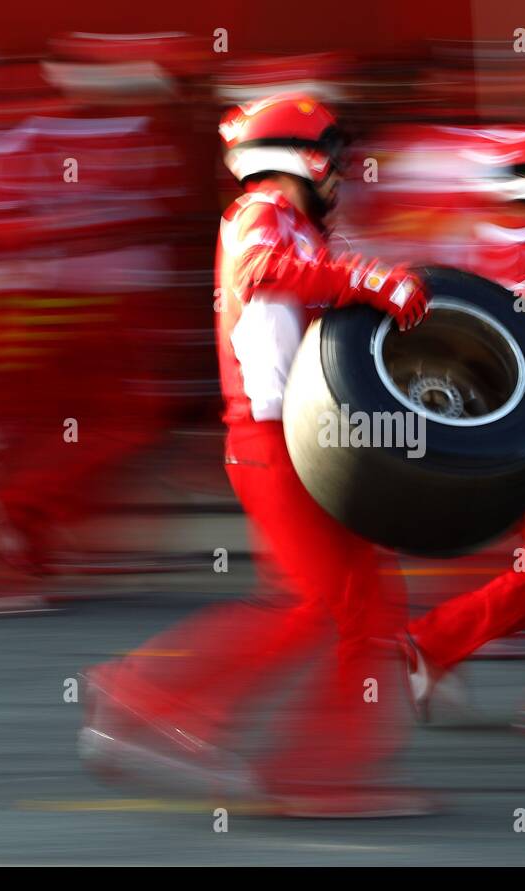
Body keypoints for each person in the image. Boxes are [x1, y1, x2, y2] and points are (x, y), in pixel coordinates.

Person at [83, 93, 436, 817]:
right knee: (322, 610)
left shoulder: (303, 230)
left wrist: (372, 281)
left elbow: (318, 293)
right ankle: (146, 700)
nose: (343, 175)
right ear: (301, 160)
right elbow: (266, 268)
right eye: (334, 160)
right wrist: (368, 279)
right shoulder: (261, 214)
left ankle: (323, 775)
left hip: (311, 443)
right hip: (274, 444)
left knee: (365, 611)